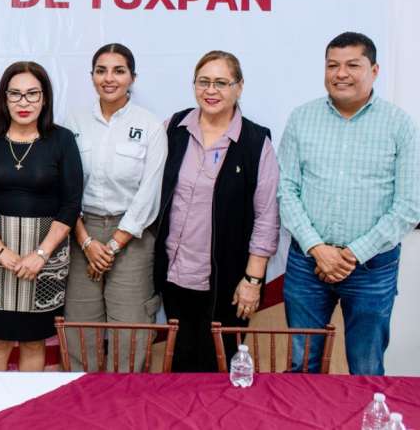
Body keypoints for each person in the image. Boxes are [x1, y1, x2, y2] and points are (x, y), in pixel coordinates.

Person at [279, 32, 419, 375]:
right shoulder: (301, 118)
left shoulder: (400, 124)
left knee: (366, 366)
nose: (340, 74)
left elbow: (409, 205)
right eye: (332, 65)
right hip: (308, 265)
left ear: (374, 70)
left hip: (373, 268)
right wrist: (317, 249)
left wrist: (352, 253)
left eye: (352, 65)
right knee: (302, 364)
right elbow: (286, 189)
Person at [153, 50, 279, 372]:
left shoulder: (255, 142)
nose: (211, 90)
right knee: (179, 364)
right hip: (175, 275)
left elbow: (266, 217)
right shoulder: (174, 128)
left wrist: (253, 279)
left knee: (219, 369)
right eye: (203, 82)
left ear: (239, 87)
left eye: (221, 83)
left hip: (229, 280)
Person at [0, 61, 82, 371]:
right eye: (15, 94)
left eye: (32, 94)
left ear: (45, 98)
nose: (24, 102)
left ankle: (28, 403)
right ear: (4, 99)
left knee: (34, 341)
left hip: (45, 259)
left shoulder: (62, 140)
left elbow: (71, 204)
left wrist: (41, 254)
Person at [63, 43, 166, 372]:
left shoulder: (150, 126)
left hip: (132, 235)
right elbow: (65, 187)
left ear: (132, 77)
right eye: (101, 70)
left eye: (119, 71)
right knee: (81, 326)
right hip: (81, 233)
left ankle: (125, 398)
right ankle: (82, 395)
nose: (109, 78)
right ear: (92, 76)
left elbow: (150, 192)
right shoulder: (73, 122)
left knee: (130, 329)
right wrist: (87, 242)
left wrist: (111, 246)